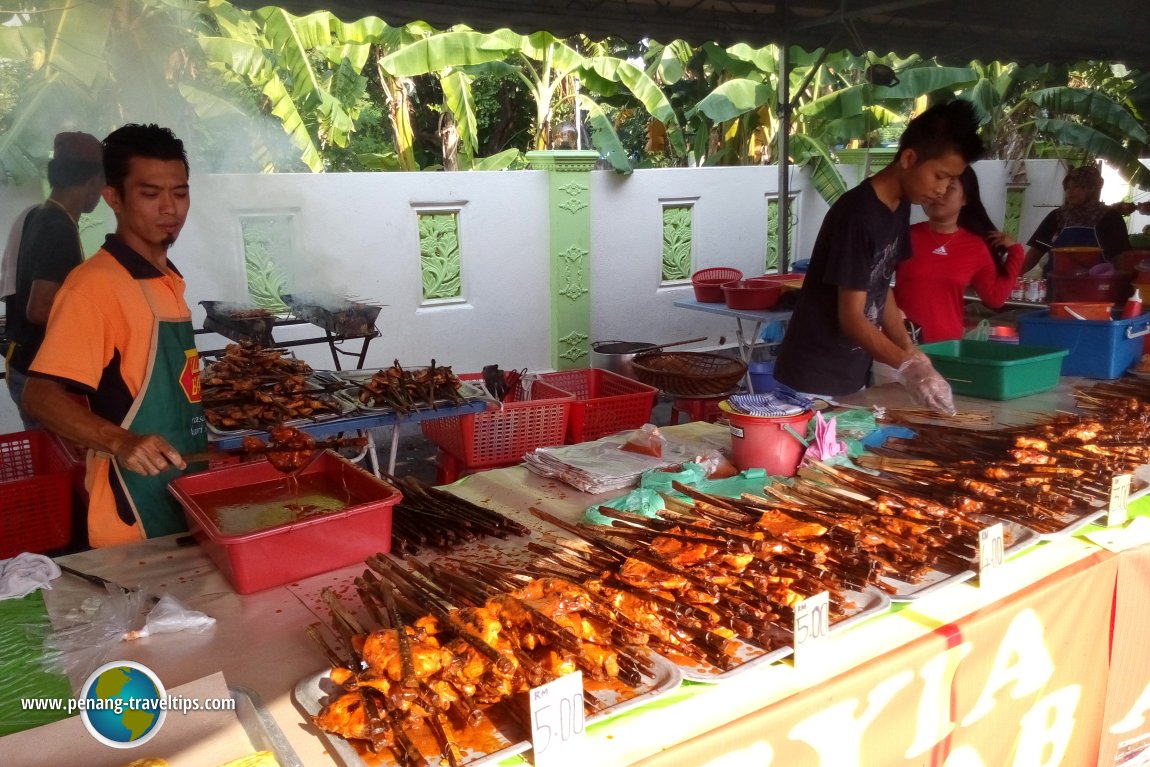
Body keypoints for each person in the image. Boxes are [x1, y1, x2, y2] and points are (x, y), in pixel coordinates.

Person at [24, 124, 206, 549]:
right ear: (114, 198)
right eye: (150, 194)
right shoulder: (95, 286)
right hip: (132, 517)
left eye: (179, 193)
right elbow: (39, 396)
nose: (169, 208)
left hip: (182, 494)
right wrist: (122, 442)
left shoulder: (166, 279)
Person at [773, 100, 984, 413]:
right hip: (812, 378)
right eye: (939, 176)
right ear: (909, 158)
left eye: (951, 182)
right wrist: (908, 367)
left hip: (850, 373)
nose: (942, 190)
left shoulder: (899, 206)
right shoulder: (858, 214)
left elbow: (881, 287)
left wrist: (909, 349)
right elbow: (852, 317)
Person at [2, 132, 105, 428]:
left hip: (25, 364)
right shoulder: (58, 228)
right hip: (39, 375)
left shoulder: (38, 215)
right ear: (92, 181)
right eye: (102, 184)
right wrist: (98, 321)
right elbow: (39, 309)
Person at [894, 166, 1024, 343]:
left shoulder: (975, 247)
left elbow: (995, 298)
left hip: (948, 348)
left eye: (950, 187)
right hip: (899, 347)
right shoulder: (903, 236)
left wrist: (1016, 252)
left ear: (965, 198)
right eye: (935, 185)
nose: (940, 193)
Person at [1021, 164, 1132, 275]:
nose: (1071, 191)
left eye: (1078, 187)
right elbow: (1036, 251)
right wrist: (1011, 277)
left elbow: (1120, 260)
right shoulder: (1057, 216)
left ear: (1092, 188)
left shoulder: (1110, 218)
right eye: (1068, 187)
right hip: (1056, 285)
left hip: (1096, 286)